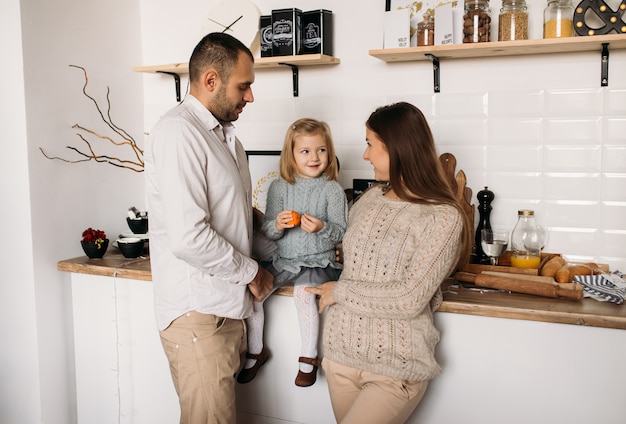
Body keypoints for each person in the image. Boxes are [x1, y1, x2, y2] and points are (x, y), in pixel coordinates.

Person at [307, 102, 472, 424]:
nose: (365, 155)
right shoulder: (369, 200)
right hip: (340, 357)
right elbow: (351, 257)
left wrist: (339, 292)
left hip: (395, 367)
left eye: (370, 144)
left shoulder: (443, 216)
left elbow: (409, 298)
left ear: (397, 149)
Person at [144, 32, 273, 424]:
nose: (249, 97)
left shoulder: (226, 139)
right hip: (198, 316)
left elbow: (221, 211)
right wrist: (253, 272)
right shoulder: (179, 132)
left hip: (222, 312)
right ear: (211, 80)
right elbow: (189, 238)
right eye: (244, 86)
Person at [238, 118, 348, 387]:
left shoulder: (332, 189)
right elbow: (268, 228)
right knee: (254, 296)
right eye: (305, 151)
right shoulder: (279, 188)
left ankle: (308, 359)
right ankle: (255, 350)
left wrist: (322, 227)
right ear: (291, 155)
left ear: (330, 152)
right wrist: (276, 224)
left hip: (318, 262)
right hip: (284, 260)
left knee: (303, 295)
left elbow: (342, 232)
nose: (314, 157)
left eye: (321, 150)